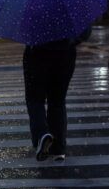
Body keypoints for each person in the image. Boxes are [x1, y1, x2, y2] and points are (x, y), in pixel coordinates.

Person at [23, 28, 90, 162]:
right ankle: (58, 148)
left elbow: (23, 31)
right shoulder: (72, 8)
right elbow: (85, 32)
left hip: (37, 52)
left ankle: (42, 134)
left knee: (35, 99)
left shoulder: (33, 8)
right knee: (57, 101)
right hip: (66, 54)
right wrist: (70, 42)